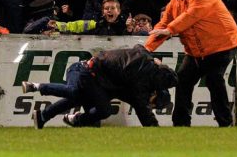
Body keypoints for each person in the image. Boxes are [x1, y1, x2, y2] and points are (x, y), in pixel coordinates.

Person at [145, 0, 237, 127]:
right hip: (196, 51)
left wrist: (170, 30)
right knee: (182, 79)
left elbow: (192, 14)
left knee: (213, 79)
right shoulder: (176, 1)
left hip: (223, 45)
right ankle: (181, 124)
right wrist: (146, 49)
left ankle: (225, 123)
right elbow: (162, 25)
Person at [22, 44, 178, 128]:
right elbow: (143, 110)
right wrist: (155, 131)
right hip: (85, 70)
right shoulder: (140, 84)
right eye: (153, 103)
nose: (149, 105)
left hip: (97, 79)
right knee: (76, 94)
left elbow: (139, 47)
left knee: (79, 100)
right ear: (155, 92)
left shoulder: (145, 63)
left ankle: (43, 116)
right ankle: (37, 87)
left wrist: (155, 61)